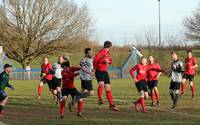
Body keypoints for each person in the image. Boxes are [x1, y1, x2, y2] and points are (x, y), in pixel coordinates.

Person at [93, 41, 119, 111]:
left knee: (108, 87)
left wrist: (108, 62)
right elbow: (95, 61)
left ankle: (111, 105)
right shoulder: (100, 53)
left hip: (105, 72)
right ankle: (100, 99)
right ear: (110, 47)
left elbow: (110, 61)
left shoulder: (107, 54)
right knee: (101, 84)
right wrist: (101, 62)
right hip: (99, 71)